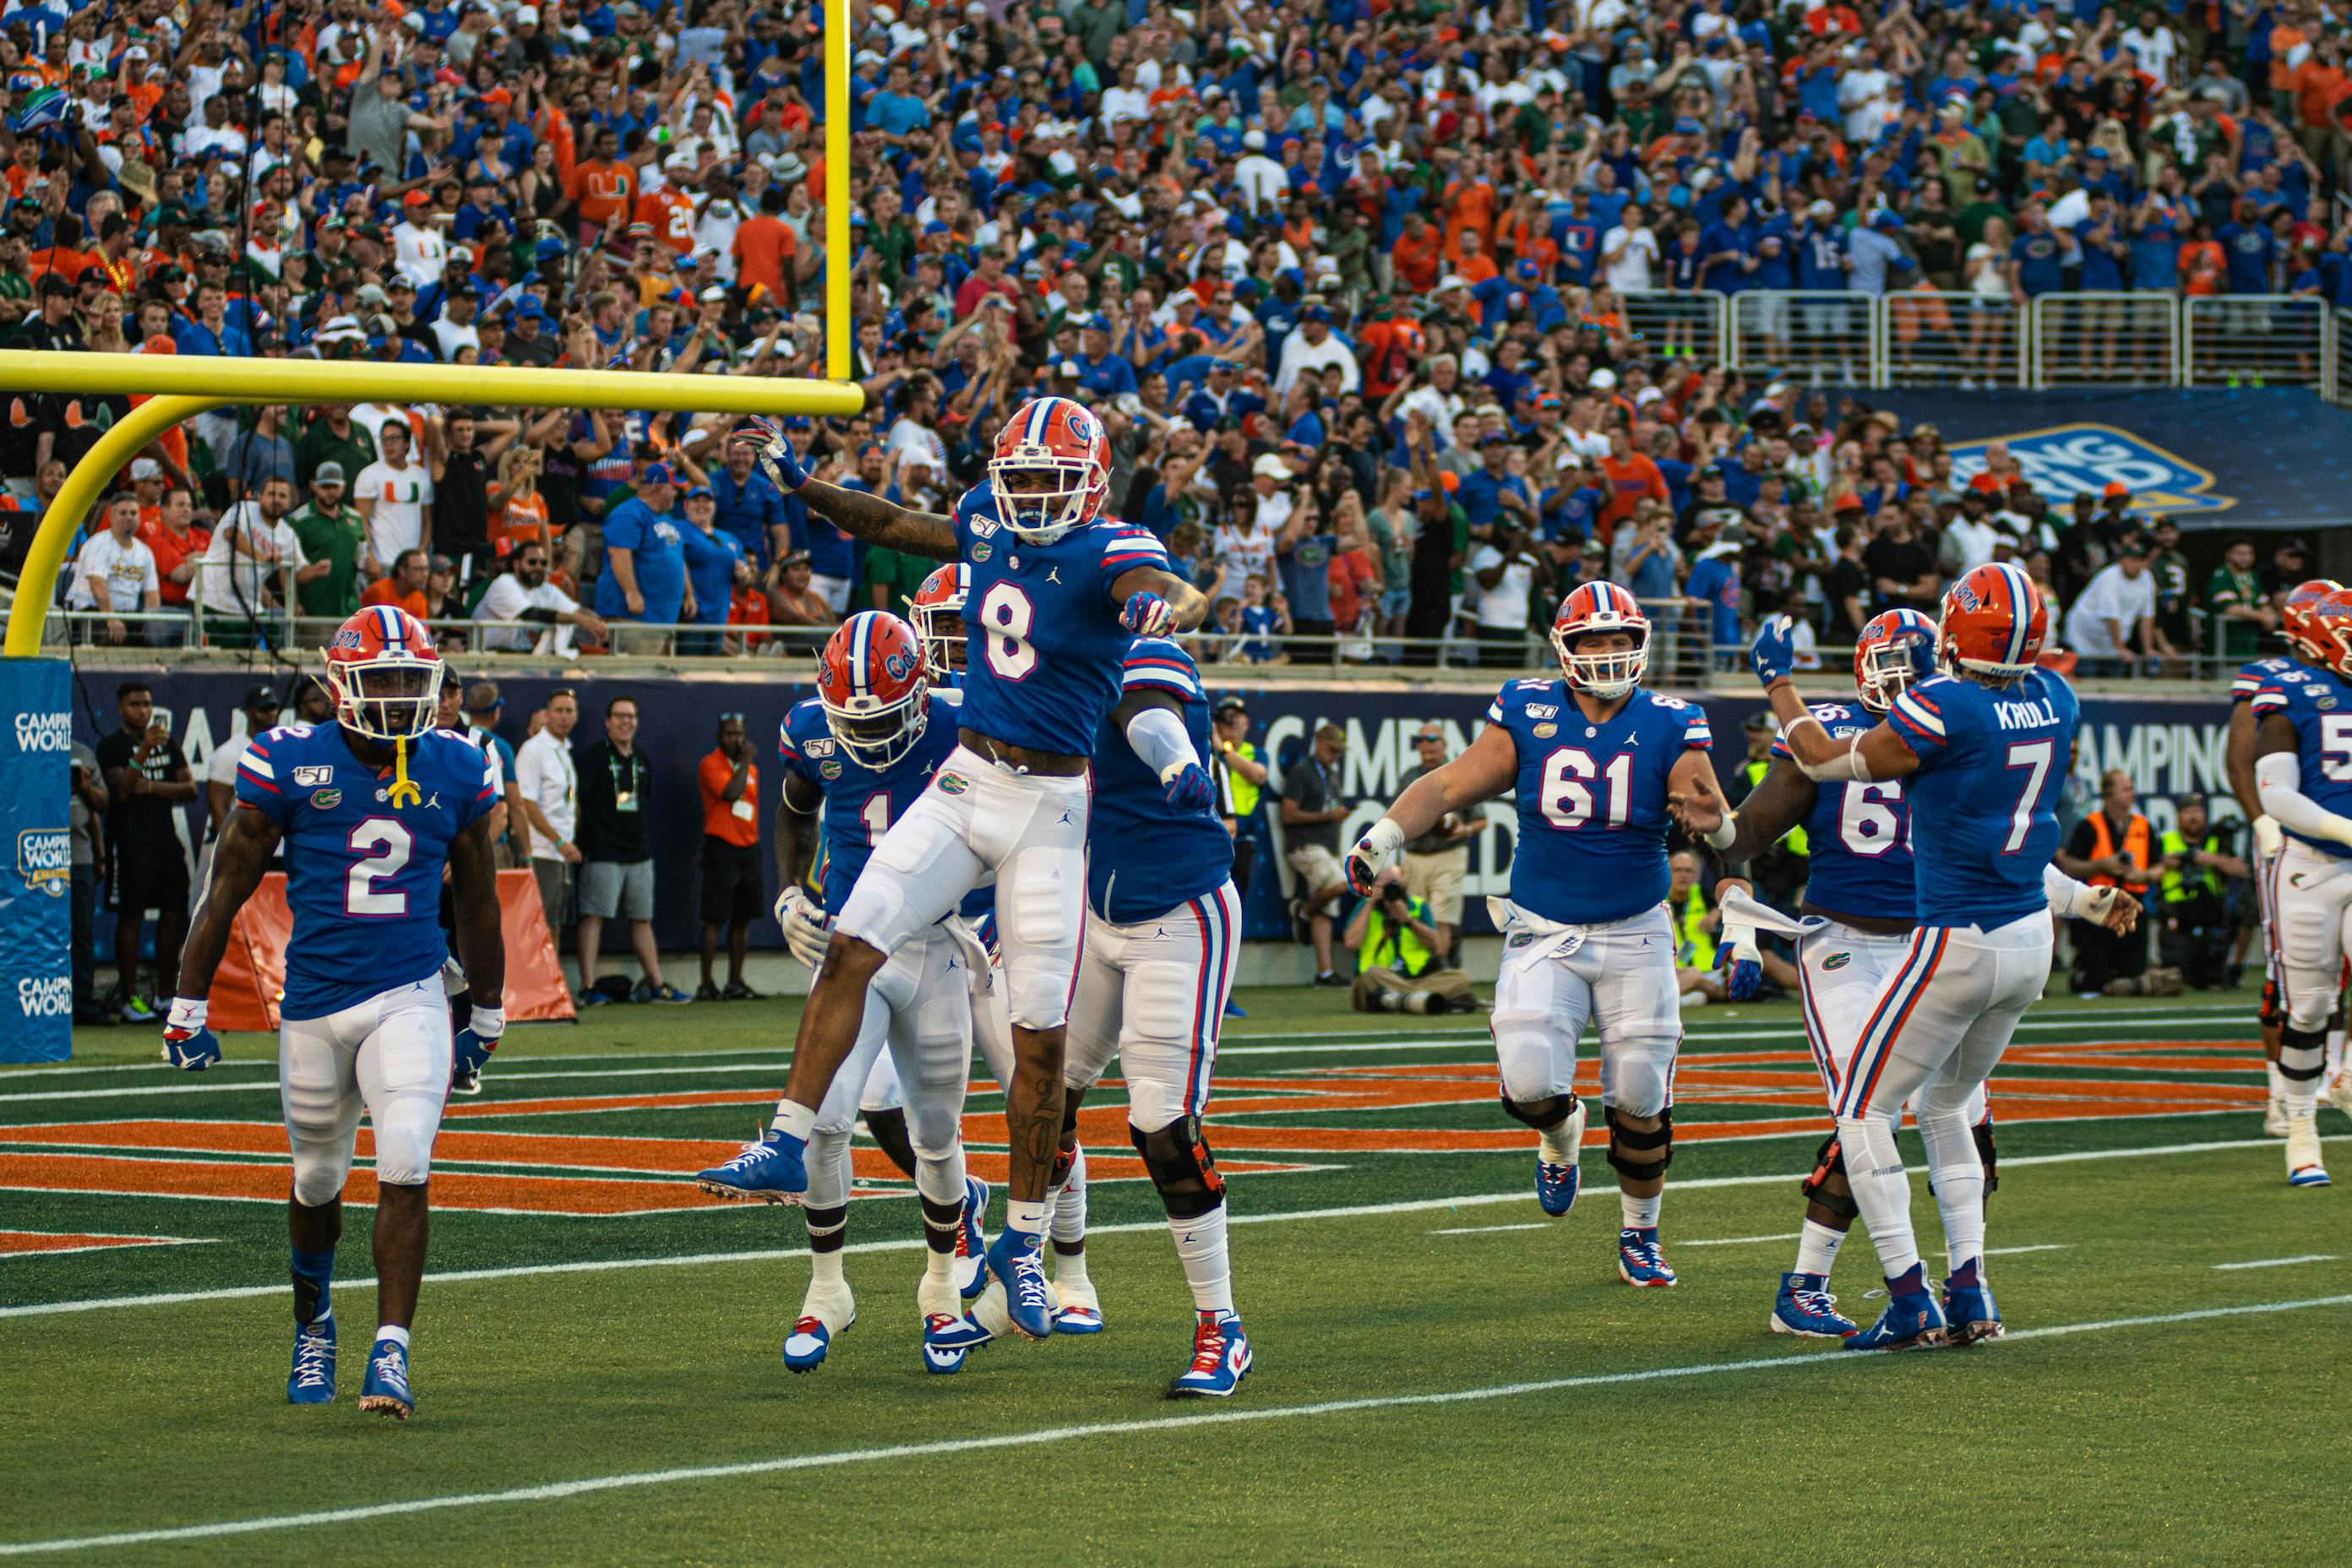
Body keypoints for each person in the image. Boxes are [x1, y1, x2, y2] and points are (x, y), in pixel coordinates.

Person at [697, 397, 1206, 1342]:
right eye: (1019, 480)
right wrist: (801, 483)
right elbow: (893, 523)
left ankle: (1024, 1239)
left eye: (1050, 483)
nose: (1030, 498)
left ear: (1089, 483)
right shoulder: (984, 517)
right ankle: (785, 1135)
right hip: (969, 780)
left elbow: (1154, 579)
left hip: (1052, 808)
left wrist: (1156, 600)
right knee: (851, 936)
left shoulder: (1108, 547)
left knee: (1041, 1041)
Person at [1744, 562, 2111, 1349]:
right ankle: (1972, 1287)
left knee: (1863, 1109)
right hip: (2028, 942)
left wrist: (1778, 683)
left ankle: (1909, 1296)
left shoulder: (1943, 706)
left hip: (1953, 938)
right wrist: (2081, 897)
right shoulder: (2056, 697)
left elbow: (1820, 758)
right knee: (1950, 1107)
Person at [161, 605, 504, 1422]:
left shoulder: (457, 764)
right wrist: (186, 1001)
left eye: (407, 681)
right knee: (317, 1180)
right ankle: (313, 1320)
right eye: (379, 679)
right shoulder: (285, 760)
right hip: (313, 1005)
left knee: (407, 1162)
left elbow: (482, 902)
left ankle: (392, 1351)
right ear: (339, 683)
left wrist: (486, 1013)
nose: (394, 697)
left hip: (411, 995)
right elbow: (227, 888)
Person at [1346, 580, 1715, 1288]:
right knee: (1528, 1083)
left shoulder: (1674, 719)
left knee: (1640, 1094)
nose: (1609, 654)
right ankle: (1559, 1132)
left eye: (1621, 640)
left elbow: (1701, 797)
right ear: (1564, 649)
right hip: (1546, 929)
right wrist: (1385, 835)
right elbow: (1450, 785)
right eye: (1594, 641)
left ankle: (1640, 1234)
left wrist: (1705, 810)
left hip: (1636, 931)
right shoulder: (1528, 707)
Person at [1670, 608, 2026, 1340]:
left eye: (1914, 665)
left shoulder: (1953, 725)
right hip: (1847, 946)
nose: (1900, 680)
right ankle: (1838, 1284)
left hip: (1934, 947)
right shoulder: (1846, 728)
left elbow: (2010, 844)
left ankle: (1956, 1285)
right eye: (1889, 664)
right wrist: (1721, 835)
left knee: (1959, 1119)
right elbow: (1751, 832)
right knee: (1871, 1114)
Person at [751, 612, 993, 1374]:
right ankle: (827, 1291)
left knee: (935, 1131)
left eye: (886, 718)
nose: (872, 736)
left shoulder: (962, 723)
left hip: (937, 946)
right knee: (825, 1118)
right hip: (854, 949)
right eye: (857, 720)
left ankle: (941, 1290)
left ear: (920, 696)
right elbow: (794, 804)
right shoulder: (812, 730)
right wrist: (789, 892)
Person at [1042, 633, 1248, 1393]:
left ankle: (1220, 1326)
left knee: (1160, 1123)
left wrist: (1177, 762)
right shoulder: (1047, 661)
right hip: (1096, 912)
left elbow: (1147, 714)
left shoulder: (1137, 650)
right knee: (1043, 1094)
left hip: (1181, 910)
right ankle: (1050, 1272)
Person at [2224, 580, 2339, 1134]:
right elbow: (2242, 760)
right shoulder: (2272, 679)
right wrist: (2264, 823)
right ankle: (2281, 1092)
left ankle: (2334, 1072)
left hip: (2334, 839)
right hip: (2293, 840)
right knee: (2289, 972)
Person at [2250, 585, 2352, 1187]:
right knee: (2309, 1007)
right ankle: (2303, 1133)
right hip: (2309, 864)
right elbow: (2277, 793)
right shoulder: (2287, 689)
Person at [574, 695, 688, 1005]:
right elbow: (577, 805)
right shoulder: (593, 758)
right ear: (607, 721)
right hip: (602, 850)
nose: (626, 722)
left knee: (642, 919)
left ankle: (656, 984)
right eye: (620, 716)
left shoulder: (642, 758)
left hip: (639, 851)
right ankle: (587, 986)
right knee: (594, 916)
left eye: (632, 716)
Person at [95, 680, 194, 1023]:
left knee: (173, 914)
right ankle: (130, 1000)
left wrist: (150, 786)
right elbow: (122, 790)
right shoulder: (112, 745)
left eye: (147, 703)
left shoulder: (168, 743)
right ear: (120, 708)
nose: (143, 710)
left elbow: (190, 789)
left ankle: (166, 995)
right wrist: (143, 752)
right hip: (129, 841)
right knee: (131, 917)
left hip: (165, 841)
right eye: (135, 704)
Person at [2056, 770, 2160, 997]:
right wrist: (2102, 865)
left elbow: (2159, 866)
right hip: (2100, 906)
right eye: (2126, 788)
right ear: (2108, 793)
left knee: (2132, 980)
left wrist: (2144, 876)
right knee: (2096, 981)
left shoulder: (2143, 826)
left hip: (2133, 906)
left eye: (2131, 788)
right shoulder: (2090, 826)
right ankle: (2083, 975)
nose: (2131, 793)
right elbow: (2071, 865)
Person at [1397, 724, 1485, 957]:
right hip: (1415, 855)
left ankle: (1441, 976)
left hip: (1448, 854)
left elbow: (1481, 820)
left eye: (1432, 751)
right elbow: (1396, 814)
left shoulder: (1459, 774)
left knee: (1441, 919)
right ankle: (1421, 971)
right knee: (1417, 917)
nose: (1428, 756)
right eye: (1423, 752)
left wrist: (1464, 830)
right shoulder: (1410, 776)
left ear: (1444, 746)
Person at [694, 713, 763, 1000]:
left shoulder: (752, 770)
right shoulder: (711, 764)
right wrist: (746, 761)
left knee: (742, 918)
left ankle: (735, 982)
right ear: (719, 736)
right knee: (715, 919)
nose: (734, 739)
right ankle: (707, 984)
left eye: (738, 734)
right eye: (728, 734)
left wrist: (746, 764)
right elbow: (731, 794)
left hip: (749, 847)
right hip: (721, 847)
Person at [1344, 866, 1476, 1015]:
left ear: (1404, 887)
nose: (1389, 891)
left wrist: (1408, 921)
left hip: (1418, 979)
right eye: (1384, 886)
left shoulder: (1417, 906)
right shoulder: (1365, 906)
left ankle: (1401, 1000)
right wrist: (1370, 903)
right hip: (1380, 981)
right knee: (1370, 976)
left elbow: (1437, 946)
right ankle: (1426, 1000)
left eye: (1394, 886)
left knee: (1460, 977)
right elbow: (1351, 942)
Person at [514, 688, 583, 975]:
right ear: (547, 713)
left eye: (569, 711)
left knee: (555, 922)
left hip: (561, 851)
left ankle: (551, 983)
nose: (564, 717)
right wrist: (557, 841)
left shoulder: (564, 750)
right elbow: (526, 802)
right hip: (543, 850)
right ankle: (539, 985)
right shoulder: (534, 750)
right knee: (539, 923)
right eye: (558, 711)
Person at [1281, 721, 1353, 986]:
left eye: (1340, 751)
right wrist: (1328, 815)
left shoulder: (1331, 773)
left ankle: (1325, 972)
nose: (1336, 755)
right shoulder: (1302, 771)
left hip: (1327, 846)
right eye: (1332, 749)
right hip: (1306, 845)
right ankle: (1303, 913)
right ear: (1318, 743)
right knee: (1340, 884)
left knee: (1328, 908)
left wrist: (1337, 816)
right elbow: (1288, 814)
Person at [593, 462, 692, 655]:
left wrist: (688, 594)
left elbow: (677, 558)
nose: (676, 494)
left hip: (664, 618)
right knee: (635, 679)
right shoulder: (628, 513)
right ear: (658, 486)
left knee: (657, 680)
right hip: (635, 617)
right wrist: (632, 592)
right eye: (673, 488)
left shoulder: (667, 518)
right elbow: (619, 553)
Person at [2156, 794, 2246, 992]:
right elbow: (2149, 871)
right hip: (2177, 913)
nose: (2193, 817)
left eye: (2197, 811)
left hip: (2209, 915)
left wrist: (2210, 860)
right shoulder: (2165, 841)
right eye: (2187, 812)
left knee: (2212, 980)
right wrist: (2171, 862)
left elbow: (2241, 870)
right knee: (2176, 977)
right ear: (2178, 816)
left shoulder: (2215, 842)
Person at [472, 542, 607, 655]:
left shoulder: (545, 589)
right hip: (488, 654)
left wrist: (597, 622)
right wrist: (579, 619)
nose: (539, 567)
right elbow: (531, 614)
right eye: (532, 562)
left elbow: (575, 610)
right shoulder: (504, 582)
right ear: (516, 565)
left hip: (522, 655)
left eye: (543, 563)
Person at [67, 491, 161, 645]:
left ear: (139, 518)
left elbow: (152, 594)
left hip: (129, 615)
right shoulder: (98, 544)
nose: (128, 517)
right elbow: (98, 584)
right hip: (92, 613)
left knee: (157, 637)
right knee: (112, 637)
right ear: (111, 517)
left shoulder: (145, 552)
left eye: (133, 513)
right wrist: (111, 618)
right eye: (122, 513)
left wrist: (152, 624)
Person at [67, 741, 107, 1025]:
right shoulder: (23, 745)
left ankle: (82, 1002)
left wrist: (99, 855)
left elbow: (101, 805)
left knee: (81, 934)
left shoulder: (82, 753)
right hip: (33, 856)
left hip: (79, 856)